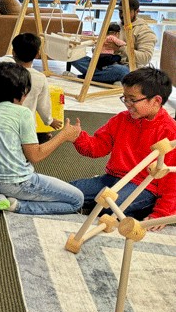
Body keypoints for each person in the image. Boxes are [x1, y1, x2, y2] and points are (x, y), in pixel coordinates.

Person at [70, 67, 176, 229]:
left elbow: (172, 180)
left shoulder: (170, 132)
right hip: (113, 178)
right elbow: (97, 148)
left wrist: (162, 213)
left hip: (144, 188)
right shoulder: (121, 120)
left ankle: (140, 207)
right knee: (68, 191)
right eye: (124, 98)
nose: (127, 104)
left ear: (156, 100)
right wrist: (78, 137)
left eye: (132, 100)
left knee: (107, 207)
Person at [0, 62, 83, 214]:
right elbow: (35, 156)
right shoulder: (23, 113)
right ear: (22, 92)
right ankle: (17, 205)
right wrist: (64, 135)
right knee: (77, 200)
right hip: (14, 183)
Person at [70, 0, 156, 83]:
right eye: (120, 11)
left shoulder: (145, 31)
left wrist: (120, 48)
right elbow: (98, 46)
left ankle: (82, 77)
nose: (122, 15)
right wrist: (98, 48)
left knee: (120, 71)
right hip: (104, 63)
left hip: (126, 67)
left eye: (126, 12)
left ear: (137, 11)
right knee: (73, 56)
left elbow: (145, 58)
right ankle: (104, 77)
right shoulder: (113, 25)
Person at [0, 33, 63, 131]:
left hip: (1, 122)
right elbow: (43, 104)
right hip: (26, 125)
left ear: (13, 52)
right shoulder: (40, 78)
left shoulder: (2, 69)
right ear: (37, 54)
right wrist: (49, 121)